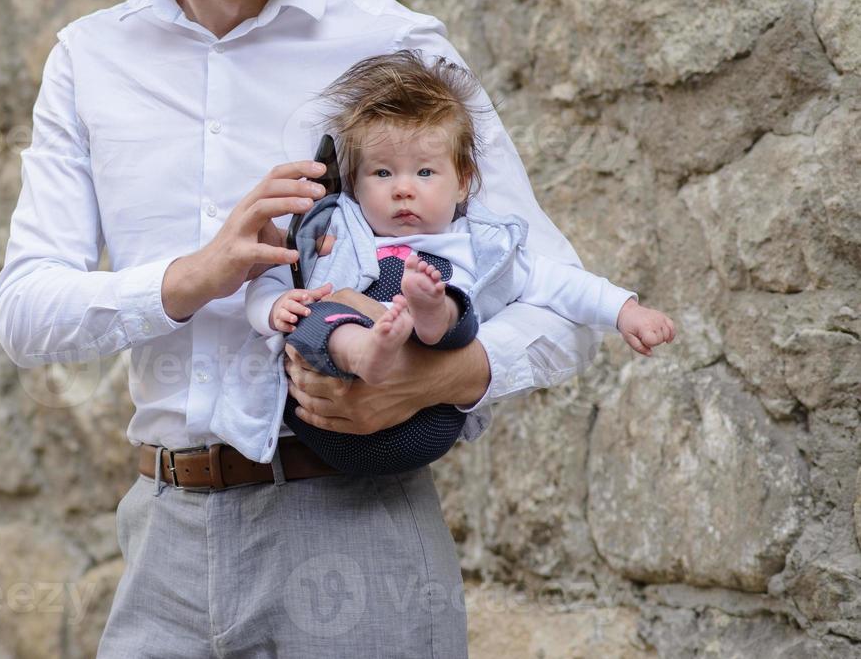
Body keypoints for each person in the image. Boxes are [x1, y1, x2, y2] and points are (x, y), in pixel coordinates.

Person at [0, 0, 602, 658]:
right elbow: (24, 311)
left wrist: (442, 378)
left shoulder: (393, 46)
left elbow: (561, 296)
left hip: (359, 537)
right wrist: (189, 279)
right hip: (163, 541)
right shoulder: (90, 60)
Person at [229, 49, 676, 474]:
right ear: (355, 184)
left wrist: (624, 310)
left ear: (463, 182)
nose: (403, 189)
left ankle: (432, 312)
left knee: (456, 307)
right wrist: (274, 309)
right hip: (324, 412)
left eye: (424, 172)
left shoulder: (481, 246)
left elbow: (559, 283)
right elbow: (268, 281)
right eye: (382, 173)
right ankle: (366, 348)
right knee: (317, 315)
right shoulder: (334, 232)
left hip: (426, 421)